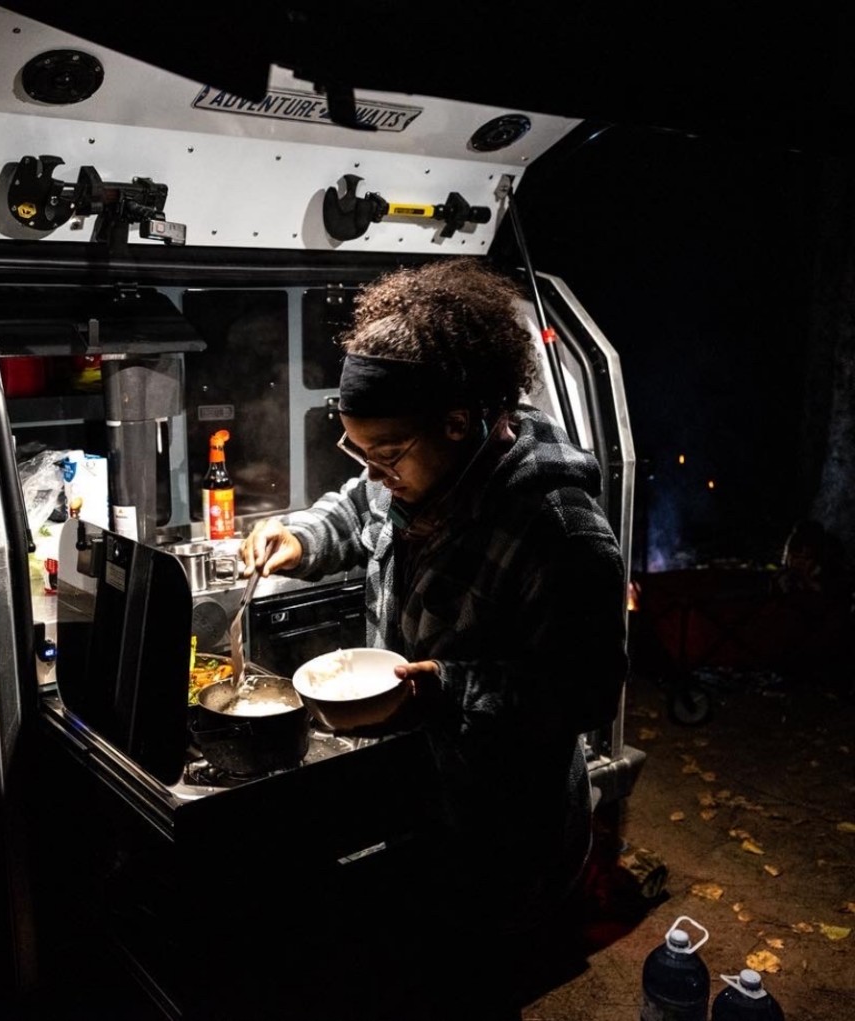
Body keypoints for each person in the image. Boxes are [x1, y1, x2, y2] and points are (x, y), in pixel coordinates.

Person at [240, 257, 629, 1018]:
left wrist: (448, 689)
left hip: (508, 833)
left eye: (387, 452)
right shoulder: (415, 470)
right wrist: (299, 536)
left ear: (460, 421)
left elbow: (585, 688)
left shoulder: (557, 530)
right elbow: (354, 509)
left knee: (481, 983)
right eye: (361, 450)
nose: (375, 470)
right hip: (422, 799)